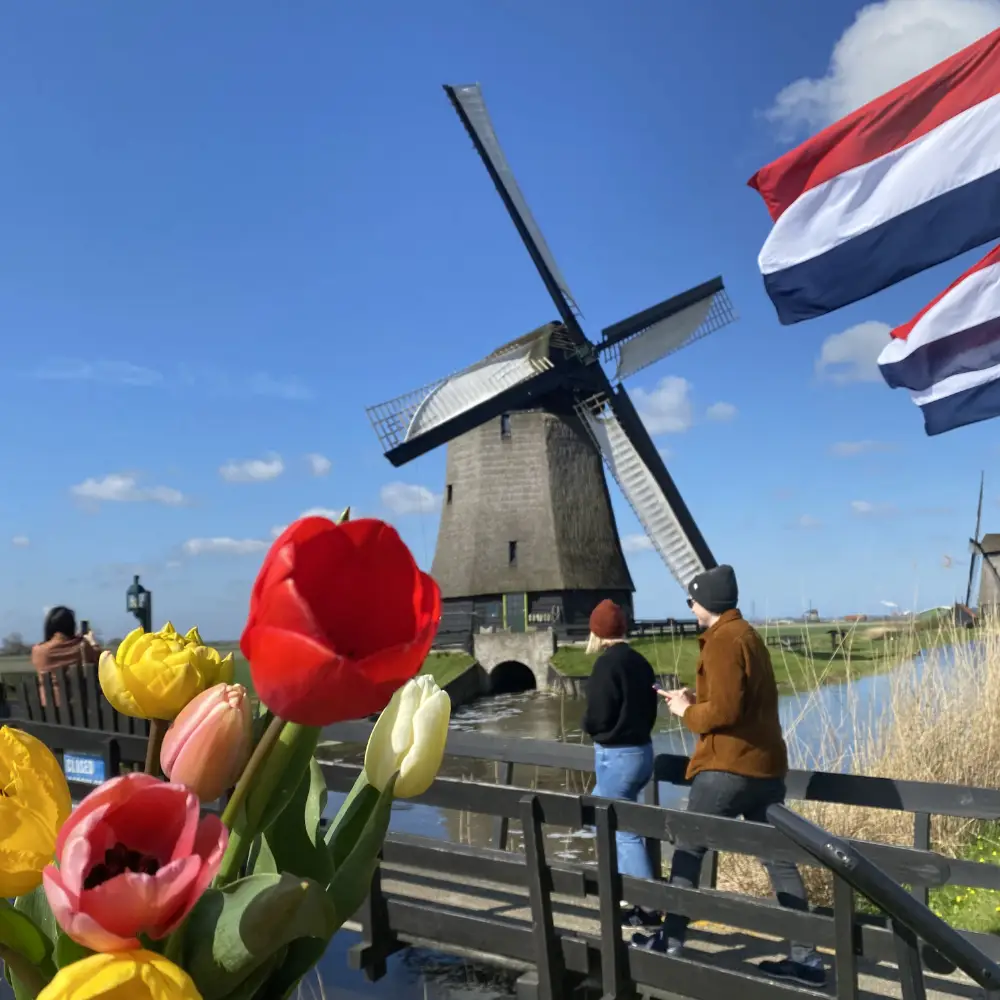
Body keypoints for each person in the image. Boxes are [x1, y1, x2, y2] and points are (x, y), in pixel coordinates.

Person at [633, 565, 826, 988]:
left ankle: (670, 940)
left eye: (692, 600)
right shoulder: (748, 636)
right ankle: (807, 960)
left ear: (708, 603)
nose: (690, 606)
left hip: (726, 768)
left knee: (688, 847)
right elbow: (735, 700)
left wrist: (686, 711)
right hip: (765, 766)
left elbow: (723, 714)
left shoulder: (721, 642)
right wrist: (695, 698)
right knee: (778, 860)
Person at [581, 598, 661, 928]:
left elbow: (599, 713)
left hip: (616, 756)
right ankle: (624, 886)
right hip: (642, 752)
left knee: (622, 829)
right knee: (595, 818)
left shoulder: (605, 666)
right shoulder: (640, 662)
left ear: (596, 632)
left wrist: (590, 727)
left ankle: (649, 908)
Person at [31, 607, 100, 707]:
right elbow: (102, 663)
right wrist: (92, 642)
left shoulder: (38, 650)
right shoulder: (83, 646)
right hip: (81, 709)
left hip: (47, 710)